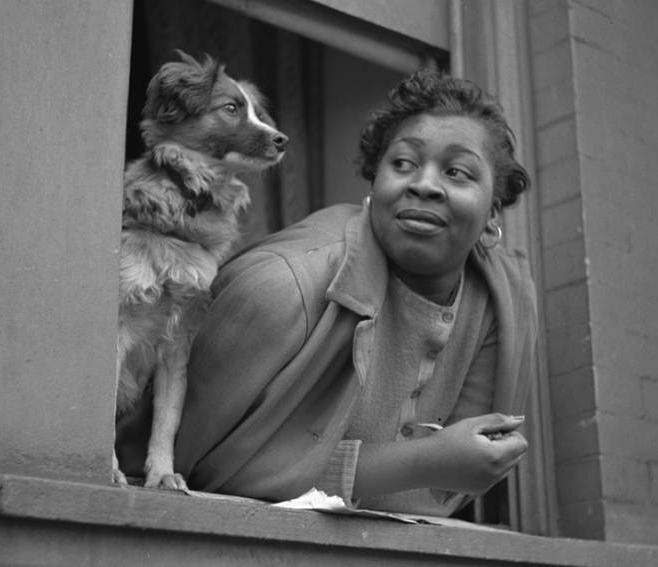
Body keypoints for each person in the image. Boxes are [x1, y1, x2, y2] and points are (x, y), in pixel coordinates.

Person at [164, 69, 537, 517]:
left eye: (457, 172)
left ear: (494, 207)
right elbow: (199, 471)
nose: (423, 184)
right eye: (403, 163)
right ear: (374, 182)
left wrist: (430, 469)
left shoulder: (501, 304)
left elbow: (437, 495)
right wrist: (420, 462)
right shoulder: (281, 288)